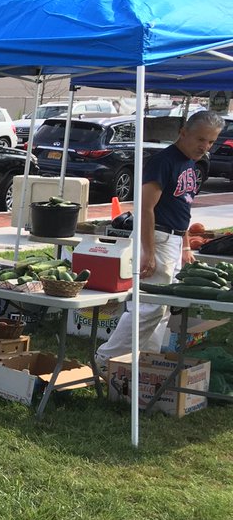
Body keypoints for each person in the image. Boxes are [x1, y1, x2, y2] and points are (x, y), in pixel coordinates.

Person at [96, 111, 222, 369]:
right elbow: (145, 208)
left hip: (172, 240)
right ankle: (106, 360)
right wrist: (148, 251)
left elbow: (182, 207)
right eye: (201, 139)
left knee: (162, 309)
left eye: (211, 142)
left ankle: (144, 363)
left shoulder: (190, 163)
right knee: (148, 308)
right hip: (157, 237)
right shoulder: (163, 162)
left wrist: (185, 244)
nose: (205, 147)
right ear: (183, 132)